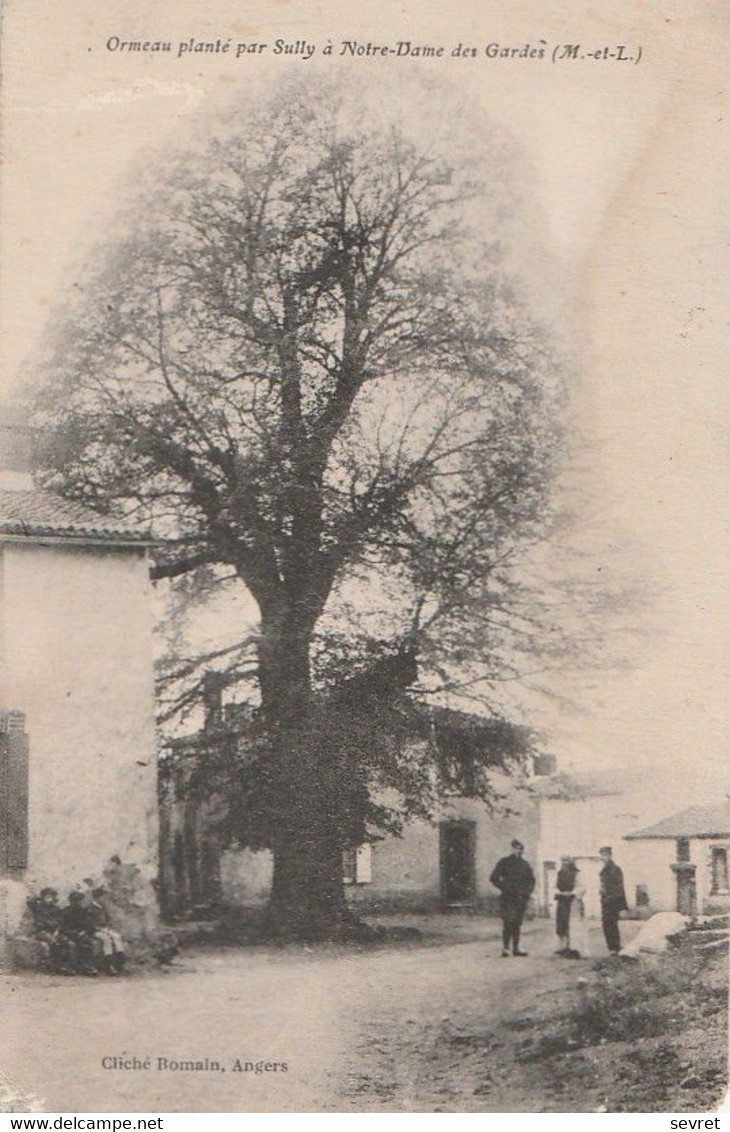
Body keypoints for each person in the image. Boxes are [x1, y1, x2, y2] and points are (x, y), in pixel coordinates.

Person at [490, 839, 535, 957]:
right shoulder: (504, 862)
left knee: (517, 923)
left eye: (521, 849)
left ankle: (516, 948)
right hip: (508, 898)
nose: (519, 851)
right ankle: (505, 948)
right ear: (512, 849)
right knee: (508, 922)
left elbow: (531, 881)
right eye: (517, 849)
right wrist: (504, 888)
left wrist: (527, 893)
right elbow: (494, 877)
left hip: (521, 898)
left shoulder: (525, 864)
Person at [599, 846, 628, 955]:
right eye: (602, 855)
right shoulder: (605, 868)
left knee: (611, 924)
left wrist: (622, 906)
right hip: (606, 901)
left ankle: (614, 949)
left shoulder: (614, 869)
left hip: (612, 901)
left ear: (610, 855)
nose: (603, 857)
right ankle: (613, 948)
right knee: (607, 924)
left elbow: (619, 887)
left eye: (605, 855)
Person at [554, 856, 579, 954]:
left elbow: (581, 886)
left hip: (572, 901)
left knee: (572, 923)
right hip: (561, 900)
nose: (564, 863)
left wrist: (572, 893)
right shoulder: (559, 874)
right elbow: (554, 886)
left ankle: (571, 946)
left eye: (566, 861)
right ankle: (562, 946)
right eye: (563, 861)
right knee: (561, 923)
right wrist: (559, 892)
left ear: (570, 862)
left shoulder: (576, 874)